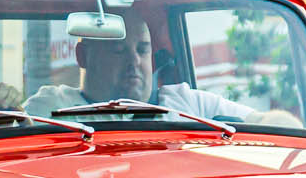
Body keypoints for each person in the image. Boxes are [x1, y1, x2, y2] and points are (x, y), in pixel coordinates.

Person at [22, 18, 261, 122]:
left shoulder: (187, 103)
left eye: (142, 49)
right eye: (118, 50)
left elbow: (263, 122)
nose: (134, 60)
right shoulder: (52, 107)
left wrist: (278, 121)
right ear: (83, 56)